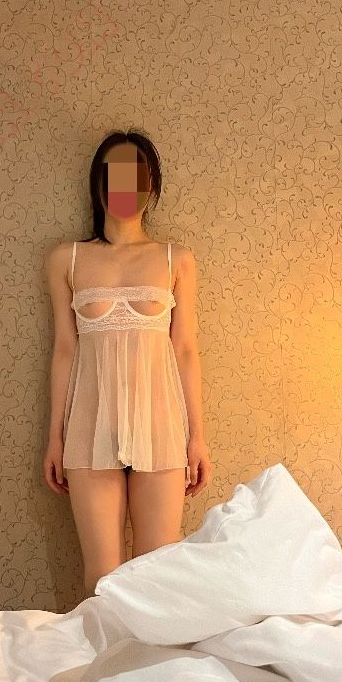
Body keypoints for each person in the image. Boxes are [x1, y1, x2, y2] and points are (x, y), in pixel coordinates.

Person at [44, 127, 211, 596]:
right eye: (114, 175)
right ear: (98, 183)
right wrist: (55, 437)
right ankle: (103, 649)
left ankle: (153, 651)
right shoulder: (66, 260)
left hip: (160, 423)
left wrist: (197, 437)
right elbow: (64, 350)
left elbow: (185, 350)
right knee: (103, 577)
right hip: (89, 423)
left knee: (157, 574)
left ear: (150, 185)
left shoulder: (176, 259)